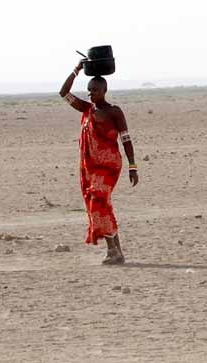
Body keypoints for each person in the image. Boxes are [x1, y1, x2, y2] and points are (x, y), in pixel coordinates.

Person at [59, 60, 138, 264]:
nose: (90, 94)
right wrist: (77, 69)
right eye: (89, 90)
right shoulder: (86, 109)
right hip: (90, 167)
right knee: (101, 205)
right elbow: (63, 92)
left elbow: (126, 139)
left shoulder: (114, 112)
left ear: (104, 90)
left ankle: (112, 250)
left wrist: (133, 166)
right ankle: (116, 251)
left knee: (98, 200)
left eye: (94, 90)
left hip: (109, 165)